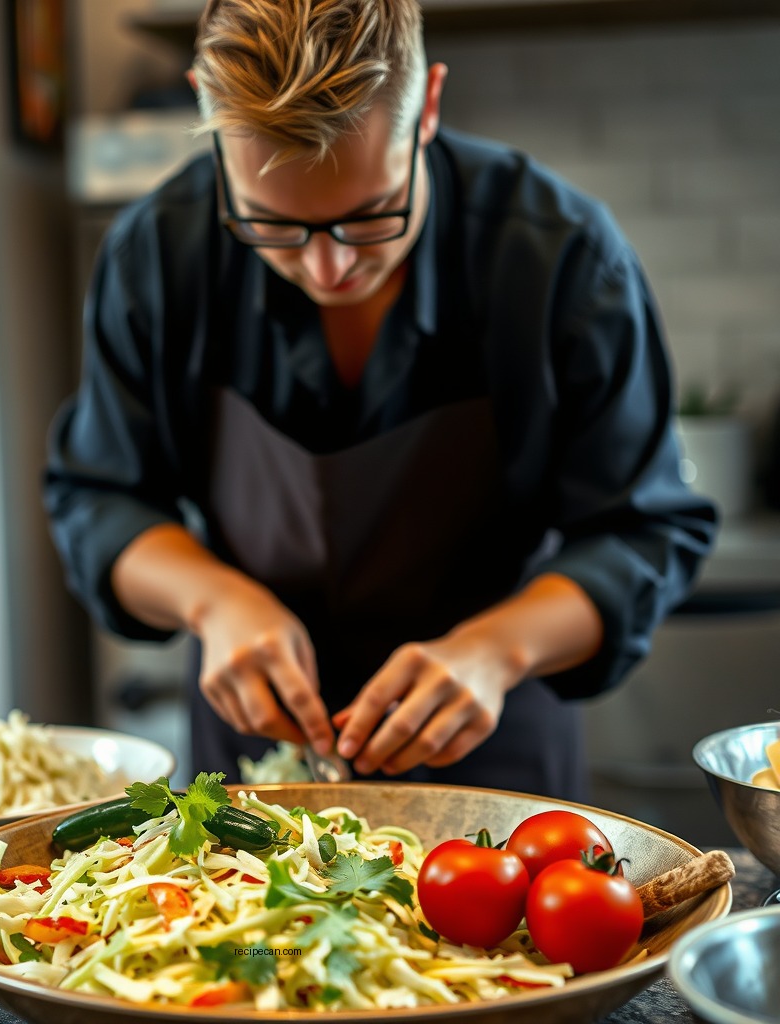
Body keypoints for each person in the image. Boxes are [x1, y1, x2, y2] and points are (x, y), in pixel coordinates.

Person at [44, 0, 717, 801]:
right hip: (256, 769)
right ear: (206, 110)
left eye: (370, 218)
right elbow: (99, 498)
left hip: (496, 759)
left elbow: (644, 529)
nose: (328, 271)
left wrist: (496, 649)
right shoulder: (160, 253)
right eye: (272, 226)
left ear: (428, 106)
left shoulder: (557, 258)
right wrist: (214, 600)